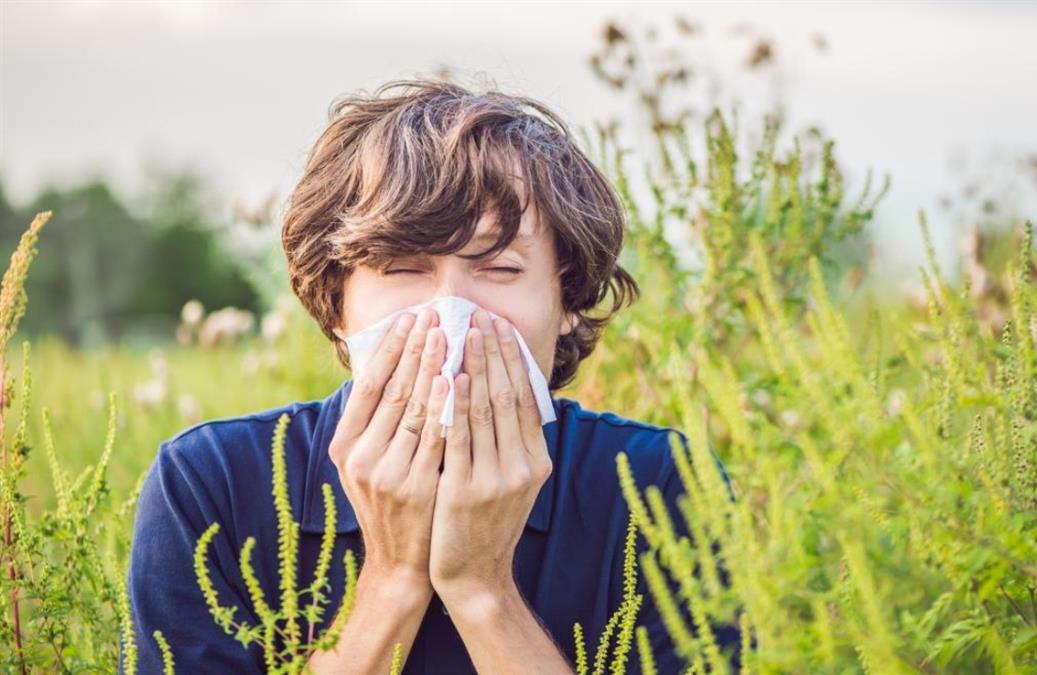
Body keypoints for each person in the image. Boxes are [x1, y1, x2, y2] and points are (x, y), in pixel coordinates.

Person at [123, 78, 741, 674]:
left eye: (498, 268)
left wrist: (482, 590)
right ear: (336, 304)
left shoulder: (659, 487)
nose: (451, 316)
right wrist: (393, 578)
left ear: (568, 299)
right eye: (401, 269)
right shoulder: (212, 486)